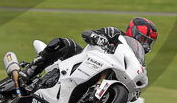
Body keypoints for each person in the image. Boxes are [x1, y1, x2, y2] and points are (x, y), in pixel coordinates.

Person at [22, 18, 158, 84]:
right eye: (142, 39)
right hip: (84, 60)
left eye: (148, 42)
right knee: (63, 44)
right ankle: (30, 71)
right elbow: (87, 33)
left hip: (104, 77)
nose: (144, 44)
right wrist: (98, 38)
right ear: (132, 31)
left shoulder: (139, 63)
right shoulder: (115, 34)